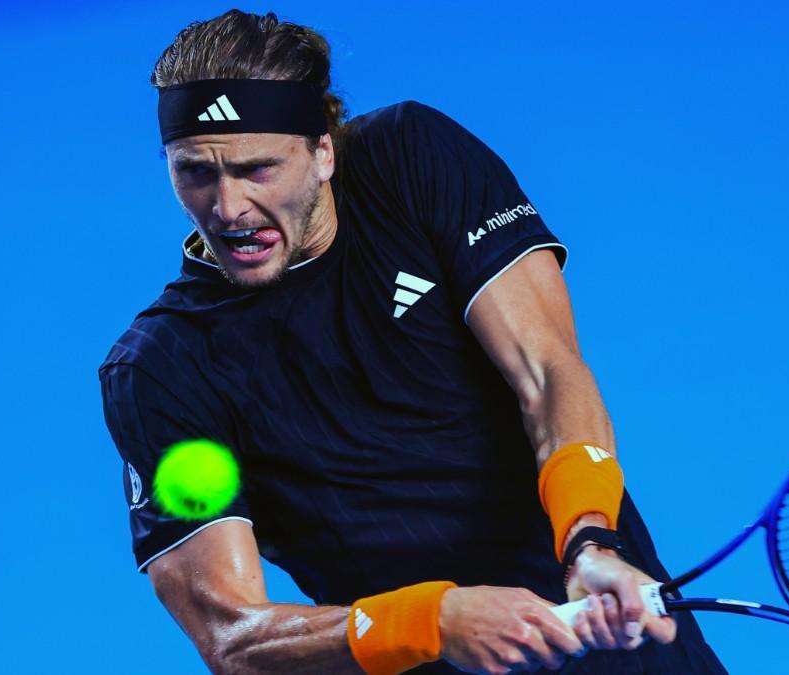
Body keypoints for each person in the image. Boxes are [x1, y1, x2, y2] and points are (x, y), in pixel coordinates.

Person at [100, 9, 726, 674]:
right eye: (195, 171)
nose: (227, 208)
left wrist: (591, 540)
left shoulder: (413, 159)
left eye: (258, 169)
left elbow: (546, 370)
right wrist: (430, 620)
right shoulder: (163, 368)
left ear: (322, 151)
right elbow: (232, 634)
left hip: (630, 639)